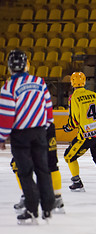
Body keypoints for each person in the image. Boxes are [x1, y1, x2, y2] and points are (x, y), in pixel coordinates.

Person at [0, 49, 55, 224]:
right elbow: (48, 109)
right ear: (26, 65)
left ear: (9, 67)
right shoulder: (39, 82)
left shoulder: (8, 87)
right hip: (39, 132)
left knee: (25, 172)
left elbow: (6, 117)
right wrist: (44, 128)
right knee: (43, 169)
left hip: (20, 135)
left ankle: (32, 209)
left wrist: (1, 138)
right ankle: (47, 207)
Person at [11, 122, 65, 214]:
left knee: (18, 164)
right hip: (46, 126)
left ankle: (27, 196)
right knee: (51, 164)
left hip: (28, 128)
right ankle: (57, 198)